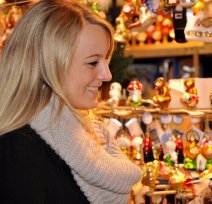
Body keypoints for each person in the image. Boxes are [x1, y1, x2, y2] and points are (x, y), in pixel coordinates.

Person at [0, 1, 142, 203]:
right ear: (48, 63)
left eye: (106, 60)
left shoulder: (86, 135)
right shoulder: (17, 149)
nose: (107, 75)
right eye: (93, 62)